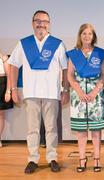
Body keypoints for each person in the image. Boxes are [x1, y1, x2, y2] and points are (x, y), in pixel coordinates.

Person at [8, 10, 70, 174]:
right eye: (38, 21)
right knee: (32, 129)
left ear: (49, 24)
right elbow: (13, 65)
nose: (41, 24)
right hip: (31, 93)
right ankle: (33, 159)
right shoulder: (24, 43)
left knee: (51, 129)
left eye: (45, 21)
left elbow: (65, 69)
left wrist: (66, 90)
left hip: (52, 93)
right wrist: (13, 88)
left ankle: (52, 158)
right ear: (33, 23)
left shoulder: (57, 44)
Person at [67, 24, 104, 173]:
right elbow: (70, 75)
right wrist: (79, 92)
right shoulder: (74, 54)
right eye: (84, 33)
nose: (87, 36)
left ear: (93, 36)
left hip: (95, 97)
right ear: (80, 35)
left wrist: (94, 92)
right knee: (81, 131)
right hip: (78, 97)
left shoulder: (99, 53)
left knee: (96, 131)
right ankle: (82, 159)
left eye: (89, 34)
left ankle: (97, 158)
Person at [0, 52, 13, 148]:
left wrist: (8, 91)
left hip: (2, 84)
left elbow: (9, 76)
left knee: (0, 114)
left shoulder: (4, 57)